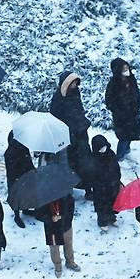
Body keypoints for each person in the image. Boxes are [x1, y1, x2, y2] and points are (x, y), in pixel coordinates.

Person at [49, 70, 93, 199]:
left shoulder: (75, 93)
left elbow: (78, 111)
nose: (75, 85)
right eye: (72, 83)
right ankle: (70, 187)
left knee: (86, 163)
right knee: (70, 164)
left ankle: (87, 188)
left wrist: (82, 123)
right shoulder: (58, 98)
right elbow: (56, 117)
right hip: (68, 137)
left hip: (80, 135)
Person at [105, 58, 140, 161]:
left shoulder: (131, 79)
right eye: (124, 69)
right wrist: (118, 111)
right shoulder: (113, 84)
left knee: (131, 134)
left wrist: (138, 102)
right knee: (123, 136)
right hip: (122, 116)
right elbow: (109, 100)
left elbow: (136, 92)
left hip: (133, 112)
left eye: (127, 68)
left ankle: (127, 150)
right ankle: (120, 156)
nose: (127, 70)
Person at [36, 195, 80, 278]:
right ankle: (58, 266)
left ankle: (70, 262)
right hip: (52, 229)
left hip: (66, 225)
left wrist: (64, 217)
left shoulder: (66, 194)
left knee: (69, 245)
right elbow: (38, 214)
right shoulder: (43, 198)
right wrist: (50, 219)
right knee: (54, 249)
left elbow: (71, 208)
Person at [4, 130, 36, 228]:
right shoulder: (10, 153)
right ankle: (16, 215)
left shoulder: (23, 147)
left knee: (26, 195)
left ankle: (26, 209)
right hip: (16, 179)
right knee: (16, 197)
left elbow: (27, 160)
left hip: (24, 176)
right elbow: (13, 168)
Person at [90, 135, 121, 231]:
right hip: (100, 187)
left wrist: (117, 179)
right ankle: (102, 221)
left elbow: (116, 167)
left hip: (113, 184)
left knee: (113, 202)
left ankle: (111, 217)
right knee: (102, 205)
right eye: (101, 148)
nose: (103, 149)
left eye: (104, 147)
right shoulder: (93, 158)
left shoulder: (110, 154)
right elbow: (92, 175)